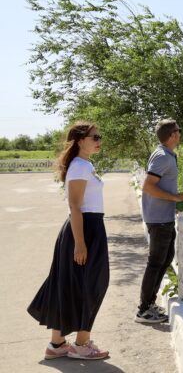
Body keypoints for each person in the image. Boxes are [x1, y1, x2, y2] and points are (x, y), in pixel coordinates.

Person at [28, 122, 110, 360]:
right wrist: (80, 243)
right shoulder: (80, 167)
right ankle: (81, 345)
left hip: (88, 228)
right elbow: (75, 206)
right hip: (85, 229)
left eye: (99, 136)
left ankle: (57, 345)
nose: (99, 140)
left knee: (69, 284)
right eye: (95, 137)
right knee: (93, 284)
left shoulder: (84, 165)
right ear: (79, 140)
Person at [136, 119, 183, 324]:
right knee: (156, 263)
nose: (180, 134)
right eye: (179, 130)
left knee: (164, 260)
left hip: (162, 217)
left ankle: (149, 304)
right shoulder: (162, 157)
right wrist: (176, 198)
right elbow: (148, 186)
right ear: (172, 135)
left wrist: (173, 201)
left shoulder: (166, 155)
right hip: (158, 220)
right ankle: (143, 309)